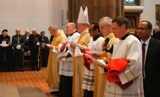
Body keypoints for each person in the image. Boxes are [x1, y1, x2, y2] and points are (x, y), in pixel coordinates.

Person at [102, 16, 143, 97]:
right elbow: (116, 60)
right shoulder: (118, 41)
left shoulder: (133, 42)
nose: (112, 31)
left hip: (126, 86)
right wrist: (108, 65)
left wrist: (117, 75)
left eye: (114, 28)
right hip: (114, 82)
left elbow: (135, 66)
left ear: (123, 27)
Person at [93, 16, 118, 97]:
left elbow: (111, 57)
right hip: (100, 68)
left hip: (105, 71)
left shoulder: (114, 40)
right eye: (100, 28)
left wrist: (99, 58)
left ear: (110, 26)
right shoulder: (105, 39)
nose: (101, 30)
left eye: (102, 27)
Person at [137, 20, 160, 97]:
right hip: (137, 83)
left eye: (142, 29)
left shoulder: (157, 45)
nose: (139, 31)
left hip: (154, 84)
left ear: (150, 31)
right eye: (138, 28)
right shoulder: (135, 44)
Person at [71, 6, 91, 97]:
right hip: (78, 60)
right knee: (78, 79)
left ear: (85, 25)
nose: (78, 27)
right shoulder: (81, 35)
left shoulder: (88, 34)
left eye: (79, 25)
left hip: (82, 61)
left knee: (81, 79)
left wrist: (78, 46)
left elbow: (88, 47)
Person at [82, 22, 104, 97]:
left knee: (91, 89)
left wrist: (88, 52)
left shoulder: (101, 40)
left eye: (91, 30)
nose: (89, 32)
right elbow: (89, 49)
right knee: (87, 89)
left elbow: (98, 54)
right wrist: (84, 51)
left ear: (97, 30)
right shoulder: (91, 39)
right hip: (88, 66)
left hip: (93, 68)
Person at [58, 22, 80, 97]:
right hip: (66, 61)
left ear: (73, 28)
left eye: (68, 27)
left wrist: (65, 45)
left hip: (70, 62)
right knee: (64, 78)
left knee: (68, 80)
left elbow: (73, 46)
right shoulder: (70, 36)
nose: (66, 28)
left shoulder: (76, 35)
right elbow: (66, 44)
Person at [46, 25, 66, 96]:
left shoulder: (62, 36)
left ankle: (57, 88)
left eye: (51, 32)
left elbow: (63, 47)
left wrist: (52, 47)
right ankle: (54, 88)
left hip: (57, 57)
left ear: (55, 30)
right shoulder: (55, 36)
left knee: (56, 72)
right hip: (53, 57)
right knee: (53, 72)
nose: (51, 34)